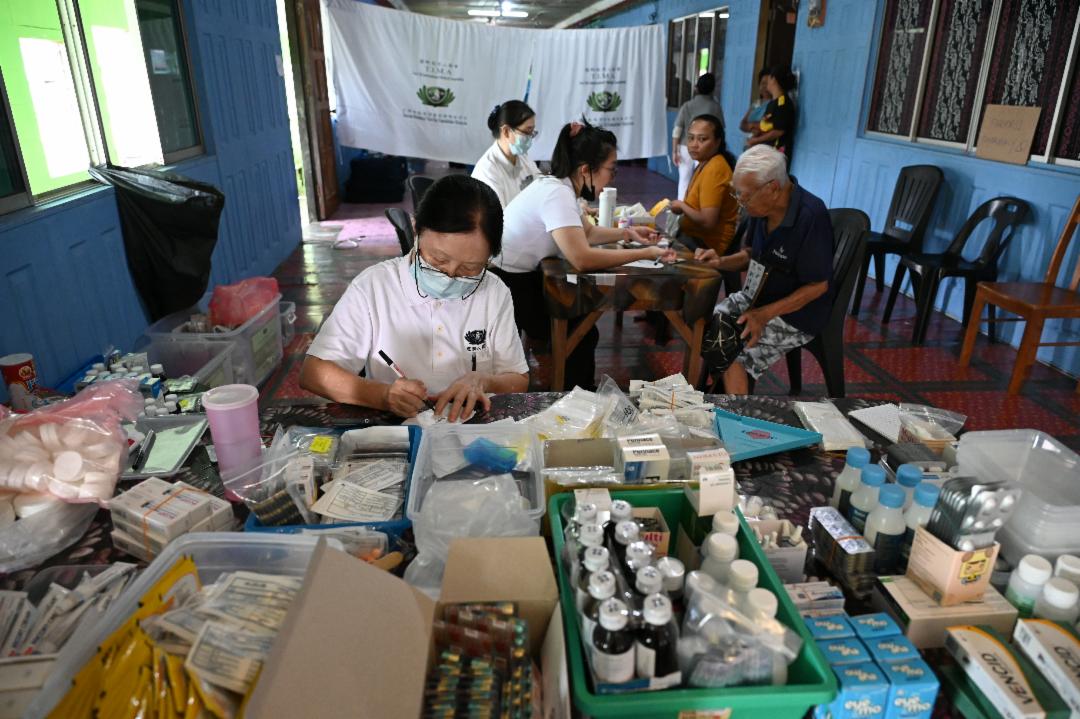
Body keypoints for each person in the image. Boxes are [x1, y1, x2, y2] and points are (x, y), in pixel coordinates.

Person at [300, 175, 529, 420]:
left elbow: (518, 379)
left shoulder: (494, 292)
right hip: (395, 432)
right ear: (416, 229)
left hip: (471, 430)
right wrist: (383, 395)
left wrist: (483, 381)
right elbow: (313, 374)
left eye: (470, 268)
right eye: (438, 260)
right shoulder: (374, 287)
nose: (450, 276)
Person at [495, 119, 676, 390]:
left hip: (516, 277)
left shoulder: (558, 187)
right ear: (585, 170)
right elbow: (582, 258)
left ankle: (574, 390)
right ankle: (575, 394)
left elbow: (587, 233)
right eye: (611, 170)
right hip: (508, 286)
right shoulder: (557, 194)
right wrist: (647, 252)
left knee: (582, 325)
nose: (612, 178)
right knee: (579, 329)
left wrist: (628, 234)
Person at [694, 145, 833, 395]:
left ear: (773, 188)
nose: (741, 203)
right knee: (707, 324)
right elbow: (751, 255)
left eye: (744, 196)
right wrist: (720, 262)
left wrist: (764, 315)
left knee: (738, 355)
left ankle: (736, 414)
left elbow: (818, 286)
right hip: (756, 298)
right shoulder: (761, 208)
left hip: (796, 313)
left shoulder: (810, 216)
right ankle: (718, 393)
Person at [668, 114, 740, 255]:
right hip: (693, 238)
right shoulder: (705, 163)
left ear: (717, 142)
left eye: (702, 139)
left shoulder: (715, 168)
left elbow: (708, 221)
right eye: (690, 138)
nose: (694, 144)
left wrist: (682, 206)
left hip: (706, 247)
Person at [471, 101, 541, 207]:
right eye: (527, 132)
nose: (530, 138)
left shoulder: (524, 159)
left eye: (532, 132)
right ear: (506, 131)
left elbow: (541, 188)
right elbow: (499, 215)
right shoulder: (487, 172)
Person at [671, 73, 725, 201]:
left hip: (685, 147)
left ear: (696, 88)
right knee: (703, 179)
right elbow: (721, 129)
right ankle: (699, 205)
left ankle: (681, 207)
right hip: (707, 148)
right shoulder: (715, 107)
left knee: (684, 179)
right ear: (712, 89)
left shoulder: (687, 105)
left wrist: (674, 150)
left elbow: (677, 130)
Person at [748, 66, 797, 162]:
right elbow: (769, 125)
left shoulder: (783, 104)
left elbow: (778, 131)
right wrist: (756, 129)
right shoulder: (772, 103)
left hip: (777, 154)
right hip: (767, 152)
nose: (767, 82)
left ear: (774, 79)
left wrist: (756, 140)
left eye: (769, 78)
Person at [739, 68, 773, 142]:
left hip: (764, 144)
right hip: (750, 143)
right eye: (763, 83)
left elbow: (769, 127)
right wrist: (753, 126)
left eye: (767, 83)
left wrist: (751, 125)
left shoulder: (774, 104)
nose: (765, 87)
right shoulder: (756, 103)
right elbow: (742, 124)